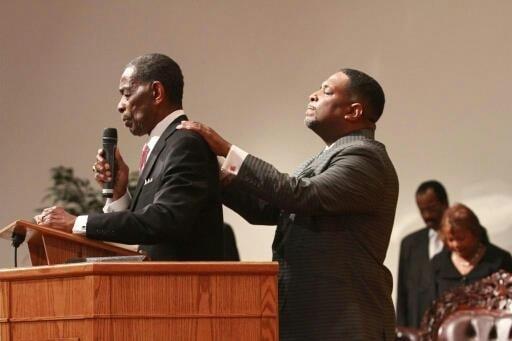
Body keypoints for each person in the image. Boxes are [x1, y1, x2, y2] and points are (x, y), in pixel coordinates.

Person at [178, 69, 398, 340]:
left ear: (353, 112)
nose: (313, 95)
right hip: (311, 319)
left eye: (326, 91)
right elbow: (268, 208)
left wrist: (228, 150)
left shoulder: (366, 157)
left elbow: (302, 195)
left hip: (344, 323)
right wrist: (210, 173)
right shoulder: (321, 159)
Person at [35, 53, 224, 261]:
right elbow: (145, 231)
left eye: (126, 94)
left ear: (156, 92)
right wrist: (119, 194)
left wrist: (76, 223)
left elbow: (164, 221)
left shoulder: (185, 144)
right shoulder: (166, 144)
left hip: (184, 289)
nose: (120, 105)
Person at [396, 180, 449, 328]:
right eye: (422, 210)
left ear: (444, 203)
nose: (427, 216)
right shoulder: (409, 244)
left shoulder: (465, 238)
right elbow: (402, 295)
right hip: (419, 329)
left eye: (431, 208)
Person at [431, 203, 512, 299]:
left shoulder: (500, 260)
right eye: (451, 240)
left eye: (461, 238)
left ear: (475, 233)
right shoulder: (438, 264)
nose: (456, 244)